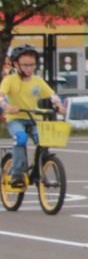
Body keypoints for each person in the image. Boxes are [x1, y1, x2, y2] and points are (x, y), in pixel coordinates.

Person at [0, 45, 65, 187]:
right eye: (25, 65)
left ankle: (39, 170)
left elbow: (51, 95)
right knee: (21, 138)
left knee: (44, 140)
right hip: (15, 119)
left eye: (32, 65)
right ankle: (17, 174)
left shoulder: (37, 81)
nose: (29, 68)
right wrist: (7, 107)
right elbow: (1, 97)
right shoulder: (9, 80)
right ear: (15, 64)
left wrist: (59, 105)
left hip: (33, 118)